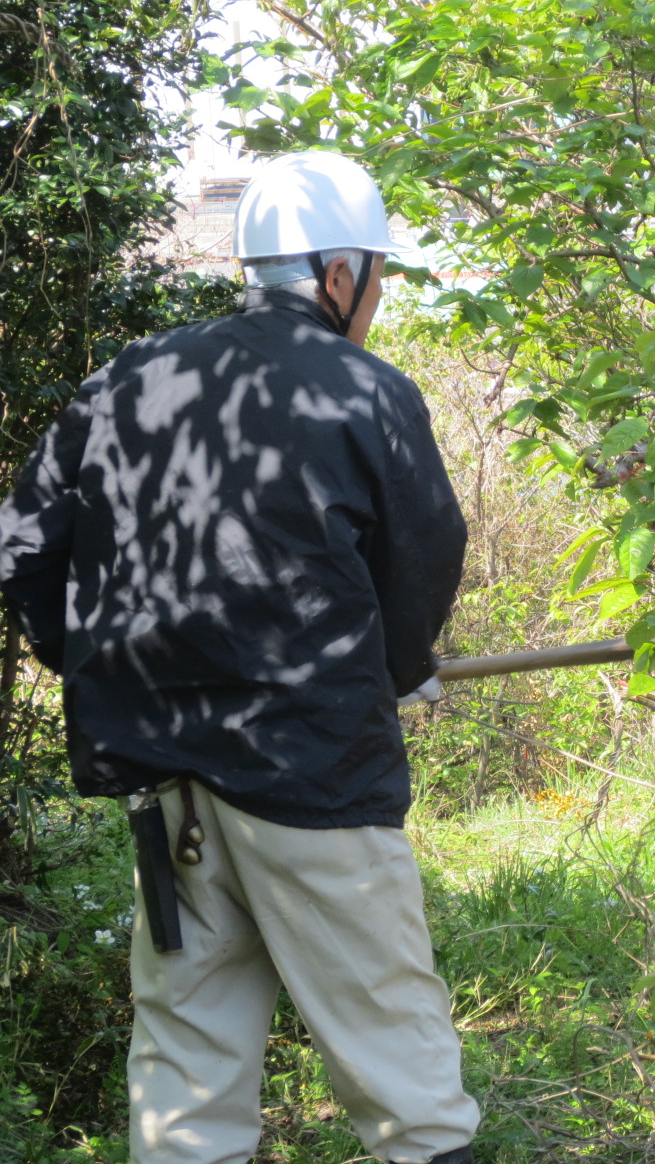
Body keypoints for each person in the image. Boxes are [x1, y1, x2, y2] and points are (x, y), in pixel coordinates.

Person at [0, 151, 479, 1164]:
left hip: (166, 783)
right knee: (403, 1072)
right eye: (376, 279)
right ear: (340, 276)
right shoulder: (366, 392)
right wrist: (399, 666)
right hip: (314, 777)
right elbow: (425, 555)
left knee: (187, 1072)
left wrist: (96, 665)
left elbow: (26, 550)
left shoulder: (126, 379)